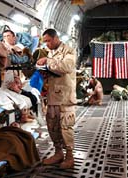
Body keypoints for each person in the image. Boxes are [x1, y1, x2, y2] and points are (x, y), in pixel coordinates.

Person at [36, 28, 76, 169]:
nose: (46, 44)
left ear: (55, 38)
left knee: (65, 126)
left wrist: (48, 61)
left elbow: (66, 66)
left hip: (65, 96)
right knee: (52, 126)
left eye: (48, 41)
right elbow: (53, 69)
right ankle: (58, 153)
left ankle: (70, 157)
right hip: (52, 95)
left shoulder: (69, 51)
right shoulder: (50, 52)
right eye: (44, 41)